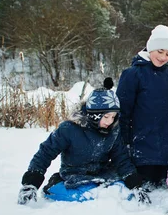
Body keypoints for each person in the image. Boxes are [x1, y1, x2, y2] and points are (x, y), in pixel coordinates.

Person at [17, 78, 148, 204]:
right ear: (94, 115)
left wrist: (135, 185)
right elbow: (45, 153)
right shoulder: (69, 129)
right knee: (84, 196)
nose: (110, 121)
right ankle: (54, 186)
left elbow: (121, 158)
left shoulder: (113, 131)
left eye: (113, 116)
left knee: (121, 192)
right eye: (106, 116)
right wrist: (31, 183)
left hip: (102, 174)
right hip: (75, 176)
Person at [116, 25, 168, 191]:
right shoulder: (132, 74)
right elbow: (122, 113)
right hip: (141, 152)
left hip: (167, 153)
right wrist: (123, 145)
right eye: (160, 51)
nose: (163, 57)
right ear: (151, 47)